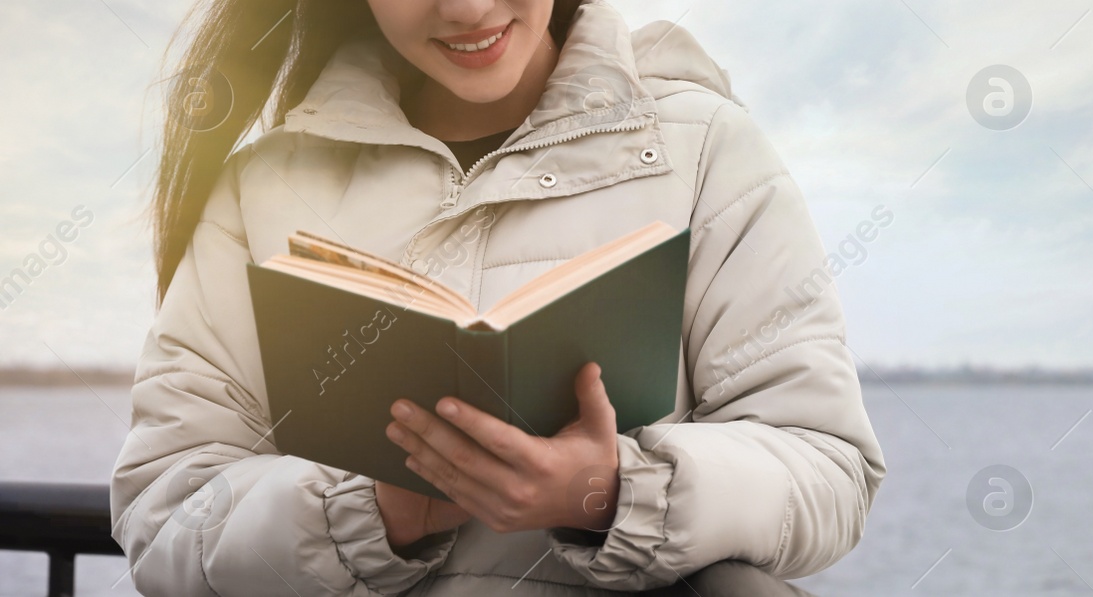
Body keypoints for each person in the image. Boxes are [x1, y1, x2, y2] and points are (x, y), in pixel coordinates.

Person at [110, 0, 886, 594]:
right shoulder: (263, 188)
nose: (469, 10)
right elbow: (164, 511)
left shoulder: (706, 149)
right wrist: (368, 514)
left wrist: (615, 491)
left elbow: (827, 468)